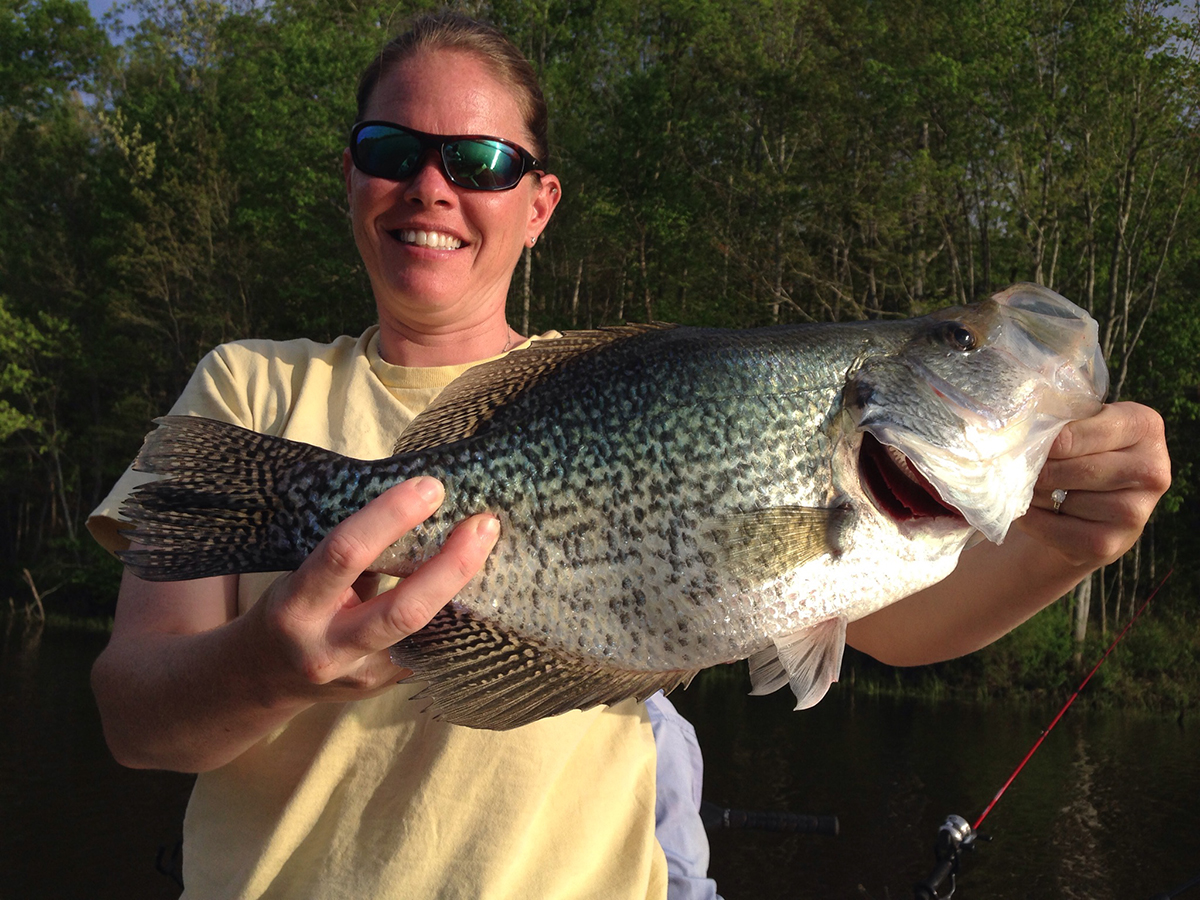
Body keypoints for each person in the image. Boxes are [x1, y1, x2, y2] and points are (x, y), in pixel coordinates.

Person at [87, 12, 1171, 900]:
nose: (431, 185)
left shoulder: (597, 379)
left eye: (479, 160)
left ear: (538, 202)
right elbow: (136, 717)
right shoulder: (249, 390)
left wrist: (1066, 543)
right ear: (352, 176)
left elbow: (888, 619)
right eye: (391, 151)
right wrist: (267, 668)